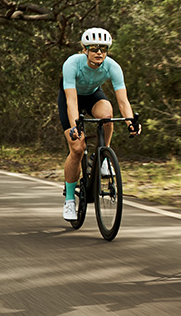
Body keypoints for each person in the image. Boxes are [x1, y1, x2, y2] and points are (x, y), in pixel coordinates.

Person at [58, 27, 141, 221]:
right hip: (71, 97)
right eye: (94, 48)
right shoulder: (72, 64)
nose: (99, 53)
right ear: (85, 50)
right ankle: (70, 200)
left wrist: (130, 122)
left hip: (93, 95)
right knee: (77, 149)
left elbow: (123, 101)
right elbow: (71, 101)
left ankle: (103, 157)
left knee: (107, 114)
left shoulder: (113, 67)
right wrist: (75, 127)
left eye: (103, 49)